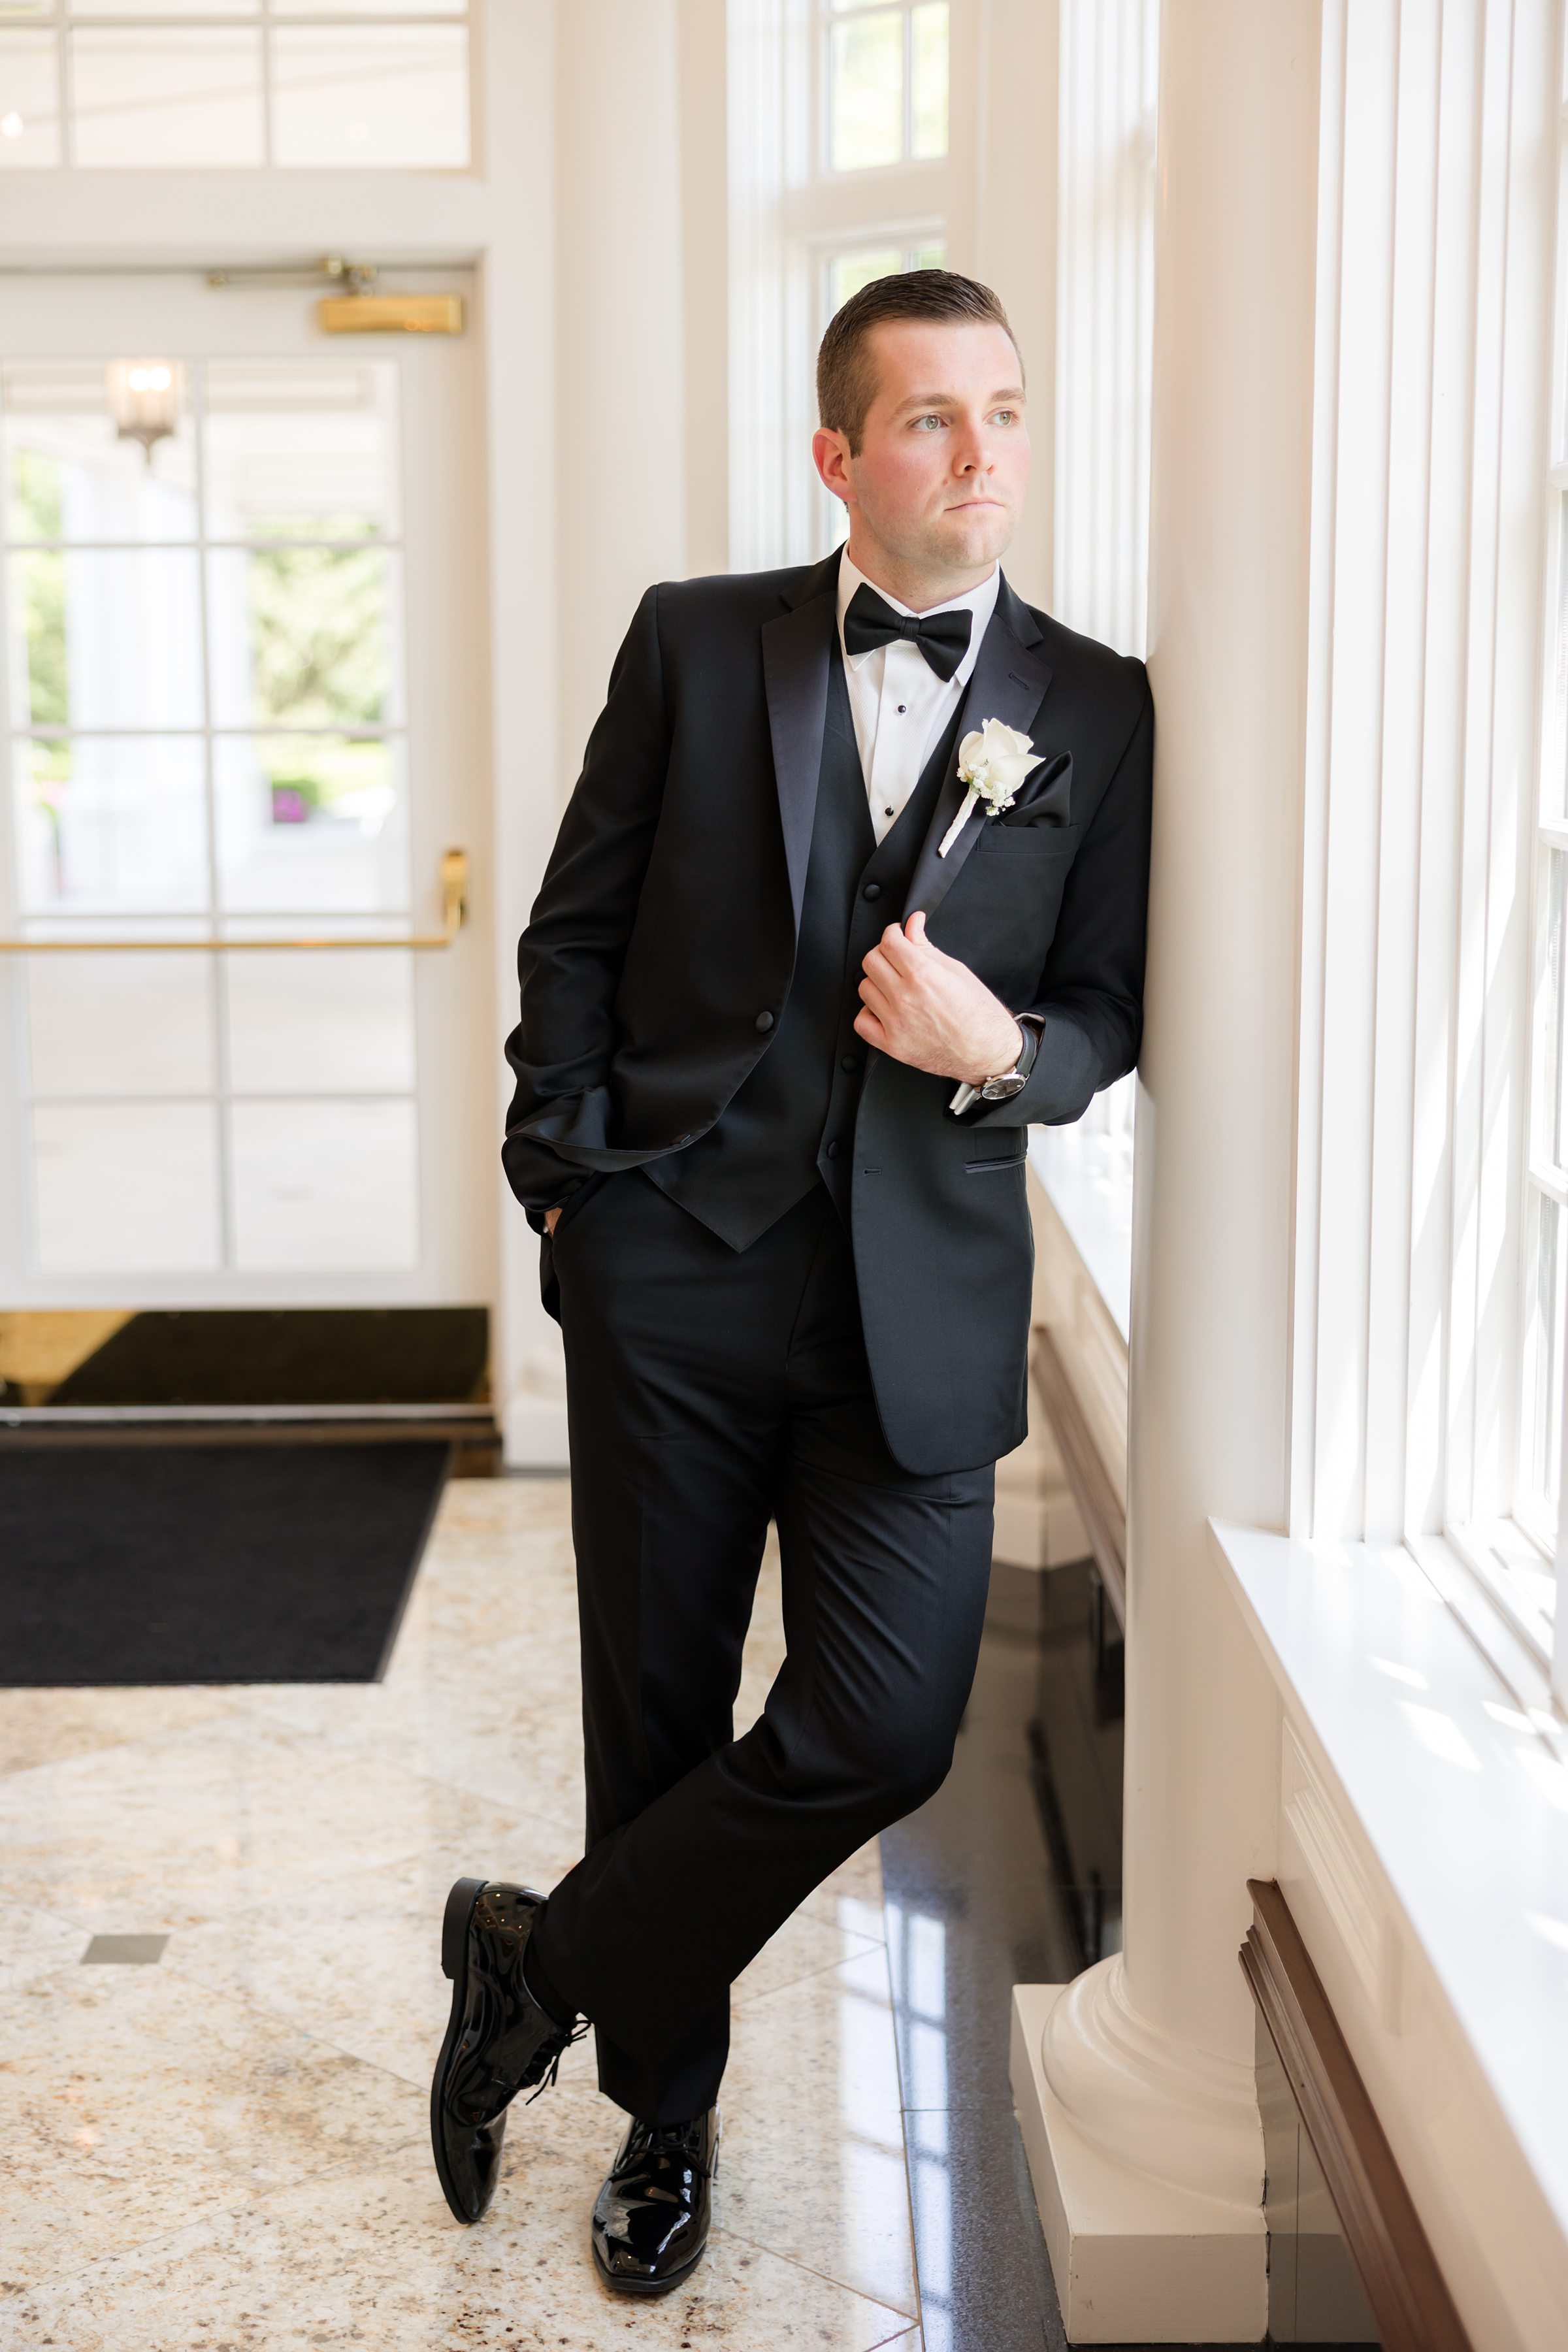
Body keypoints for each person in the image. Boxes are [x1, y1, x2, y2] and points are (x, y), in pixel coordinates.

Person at [430, 269, 1152, 2295]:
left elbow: (1105, 1007)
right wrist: (569, 1190)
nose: (984, 451)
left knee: (879, 1724)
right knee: (653, 1717)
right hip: (674, 1271)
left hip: (914, 1308)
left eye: (1006, 409)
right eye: (934, 419)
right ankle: (665, 2127)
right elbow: (572, 928)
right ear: (842, 456)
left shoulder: (1098, 704)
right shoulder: (694, 642)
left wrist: (996, 1052)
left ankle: (539, 1959)